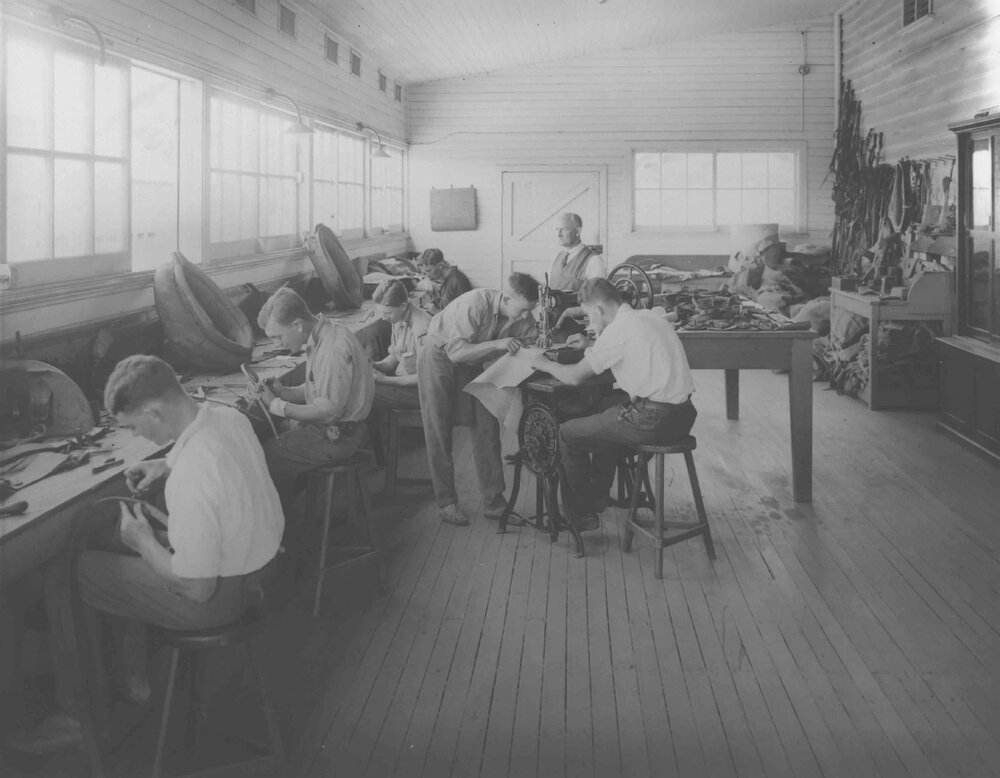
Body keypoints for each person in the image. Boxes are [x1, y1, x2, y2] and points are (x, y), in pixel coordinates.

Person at [5, 355, 284, 755]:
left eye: (134, 426)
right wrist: (164, 464)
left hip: (222, 598)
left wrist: (144, 544)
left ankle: (77, 713)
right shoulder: (226, 417)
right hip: (258, 567)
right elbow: (204, 455)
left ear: (154, 411)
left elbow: (197, 588)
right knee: (103, 537)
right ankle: (131, 674)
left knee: (69, 570)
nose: (135, 436)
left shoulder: (193, 473)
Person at [528, 278, 696, 533]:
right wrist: (591, 345)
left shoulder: (617, 331)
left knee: (567, 433)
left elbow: (573, 377)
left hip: (653, 420)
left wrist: (543, 363)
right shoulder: (648, 317)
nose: (589, 323)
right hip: (683, 415)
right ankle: (598, 495)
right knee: (606, 407)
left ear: (598, 310)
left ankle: (585, 512)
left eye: (588, 316)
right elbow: (629, 347)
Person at [417, 274, 540, 526]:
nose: (526, 316)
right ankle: (447, 502)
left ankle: (494, 502)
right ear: (506, 298)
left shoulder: (524, 316)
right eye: (523, 310)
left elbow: (530, 347)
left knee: (486, 425)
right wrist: (498, 344)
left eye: (531, 310)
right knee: (438, 428)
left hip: (472, 360)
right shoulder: (477, 303)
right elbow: (455, 352)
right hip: (439, 352)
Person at [255, 287, 374, 495]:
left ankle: (289, 523)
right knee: (280, 430)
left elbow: (328, 413)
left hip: (341, 436)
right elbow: (316, 390)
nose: (278, 344)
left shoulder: (332, 349)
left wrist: (275, 404)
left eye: (278, 337)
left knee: (263, 456)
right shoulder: (322, 336)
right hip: (335, 427)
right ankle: (301, 508)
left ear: (297, 325)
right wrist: (282, 391)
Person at [548, 212, 605, 292]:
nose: (559, 235)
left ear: (578, 231)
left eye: (563, 229)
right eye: (557, 229)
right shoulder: (556, 257)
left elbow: (597, 298)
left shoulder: (594, 261)